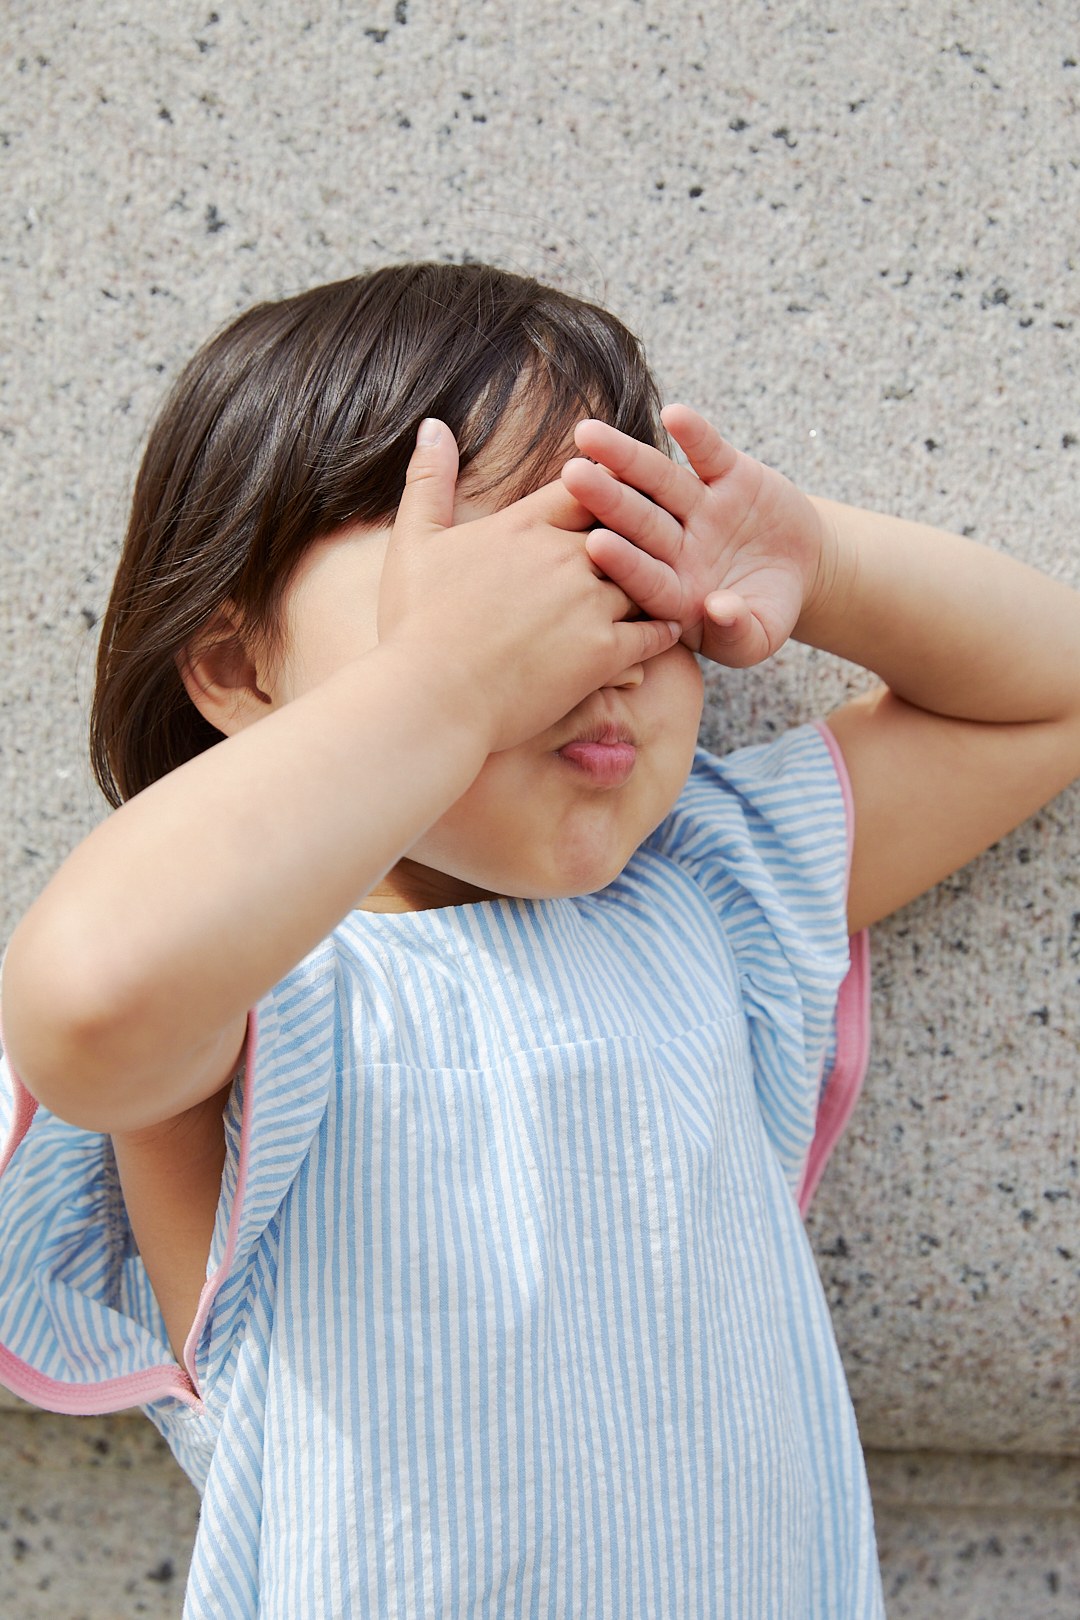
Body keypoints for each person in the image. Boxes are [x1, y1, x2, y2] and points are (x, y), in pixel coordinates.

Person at [1, 262, 1078, 1619]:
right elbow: (86, 999)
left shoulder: (705, 905)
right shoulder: (261, 997)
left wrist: (819, 560)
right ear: (236, 667)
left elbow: (1043, 694)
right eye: (506, 590)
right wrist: (443, 688)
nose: (596, 646)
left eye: (636, 585)